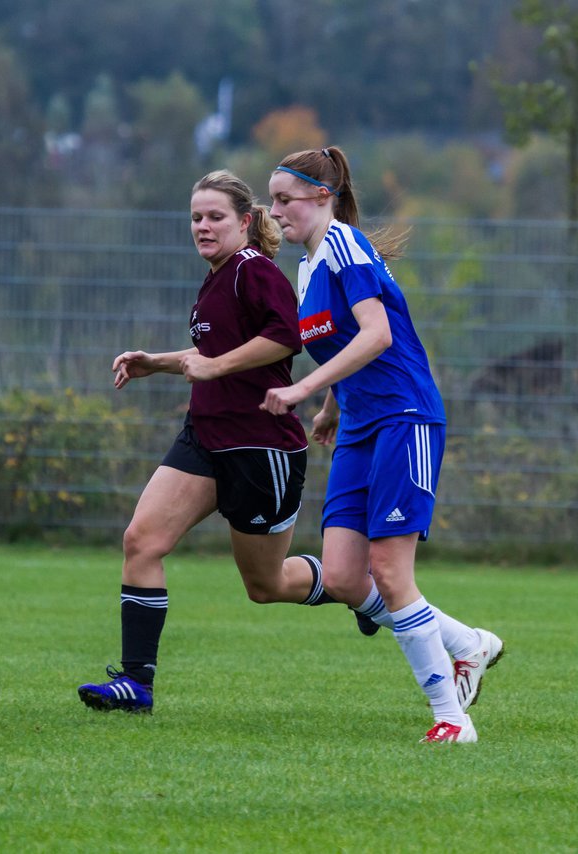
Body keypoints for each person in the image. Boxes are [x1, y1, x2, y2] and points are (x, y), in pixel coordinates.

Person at [263, 146, 504, 743]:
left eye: (283, 200)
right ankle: (467, 643)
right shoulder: (307, 267)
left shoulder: (345, 244)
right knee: (346, 576)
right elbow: (345, 344)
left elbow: (377, 334)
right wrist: (329, 406)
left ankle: (452, 719)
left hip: (404, 418)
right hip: (360, 426)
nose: (275, 212)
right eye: (271, 200)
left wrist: (303, 390)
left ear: (322, 196)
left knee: (391, 572)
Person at [77, 170, 336, 715]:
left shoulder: (253, 270)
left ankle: (352, 586)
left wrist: (213, 365)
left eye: (215, 216)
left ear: (245, 221)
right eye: (196, 217)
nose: (203, 226)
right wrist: (157, 363)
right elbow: (211, 359)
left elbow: (285, 337)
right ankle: (136, 685)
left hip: (260, 448)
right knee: (141, 542)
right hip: (204, 440)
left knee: (265, 585)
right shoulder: (217, 277)